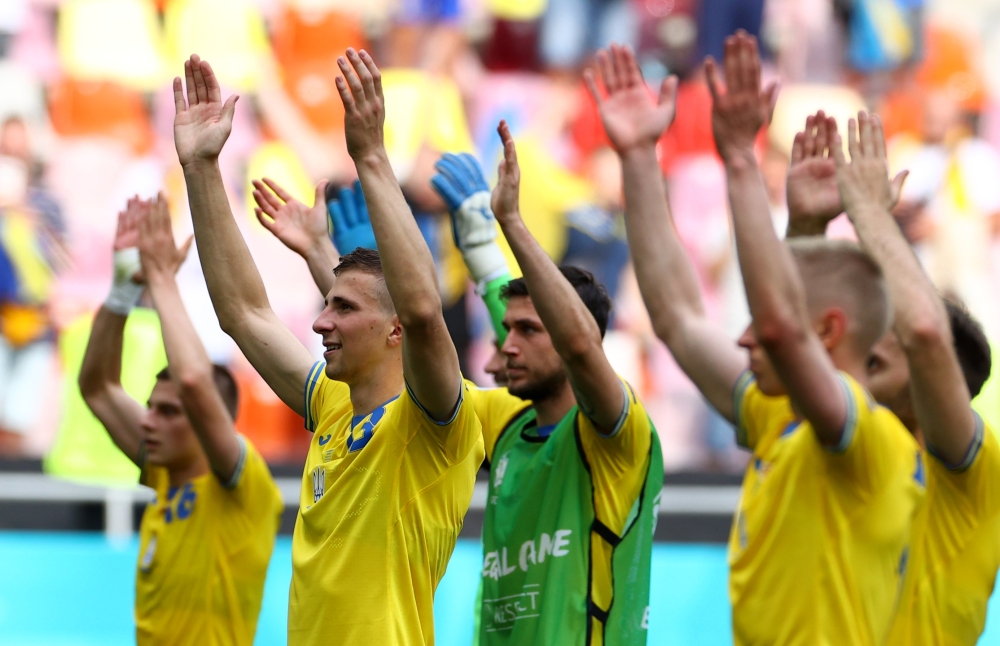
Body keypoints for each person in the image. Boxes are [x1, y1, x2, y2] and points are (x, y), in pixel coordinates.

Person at [587, 36, 923, 644]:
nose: (743, 339)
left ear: (828, 331)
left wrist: (741, 159)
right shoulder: (778, 417)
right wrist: (639, 156)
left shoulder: (872, 440)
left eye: (761, 330)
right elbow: (679, 318)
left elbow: (778, 324)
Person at [172, 50, 483, 646]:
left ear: (395, 332)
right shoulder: (332, 406)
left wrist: (370, 155)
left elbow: (421, 306)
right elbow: (243, 314)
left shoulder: (437, 419)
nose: (319, 323)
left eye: (343, 308)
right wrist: (201, 169)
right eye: (327, 303)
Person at [786, 109, 1000, 645]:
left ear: (940, 376)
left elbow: (926, 332)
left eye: (891, 335)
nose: (873, 342)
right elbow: (788, 339)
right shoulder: (850, 439)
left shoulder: (970, 468)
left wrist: (868, 214)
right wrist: (807, 226)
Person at [78, 195, 282, 646]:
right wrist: (121, 292)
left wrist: (162, 279)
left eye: (167, 412)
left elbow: (193, 380)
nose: (148, 420)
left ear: (214, 419)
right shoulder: (163, 474)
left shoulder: (242, 484)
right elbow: (98, 388)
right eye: (151, 406)